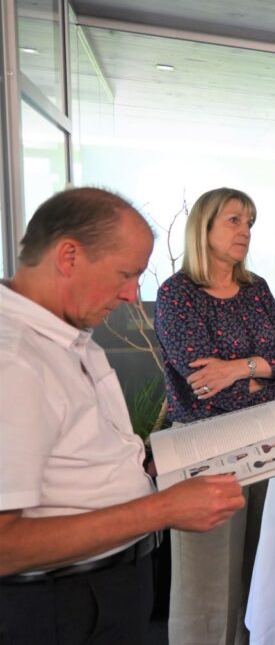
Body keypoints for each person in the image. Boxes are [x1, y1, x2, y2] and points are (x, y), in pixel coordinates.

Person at [0, 188, 244, 644]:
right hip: (57, 605)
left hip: (102, 588)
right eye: (126, 274)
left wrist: (152, 466)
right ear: (68, 256)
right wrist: (161, 508)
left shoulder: (71, 335)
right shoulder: (13, 359)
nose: (134, 295)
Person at [154, 187, 275, 645]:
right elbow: (201, 384)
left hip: (266, 440)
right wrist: (263, 375)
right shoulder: (177, 295)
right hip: (204, 448)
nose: (245, 232)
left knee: (261, 566)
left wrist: (241, 370)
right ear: (205, 227)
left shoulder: (256, 290)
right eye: (234, 220)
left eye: (250, 223)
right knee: (207, 584)